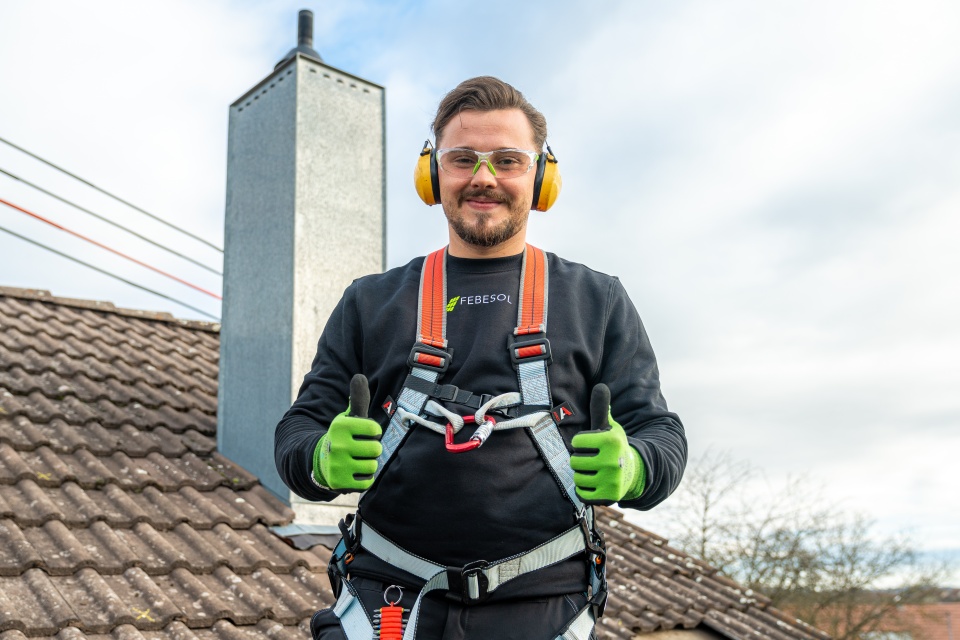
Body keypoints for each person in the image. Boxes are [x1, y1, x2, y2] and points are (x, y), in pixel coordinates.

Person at [275, 76, 687, 640]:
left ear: (541, 175)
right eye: (463, 158)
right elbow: (299, 428)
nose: (484, 178)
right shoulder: (370, 303)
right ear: (433, 173)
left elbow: (661, 433)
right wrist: (319, 459)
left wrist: (637, 468)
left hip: (545, 603)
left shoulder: (598, 300)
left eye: (508, 160)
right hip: (390, 598)